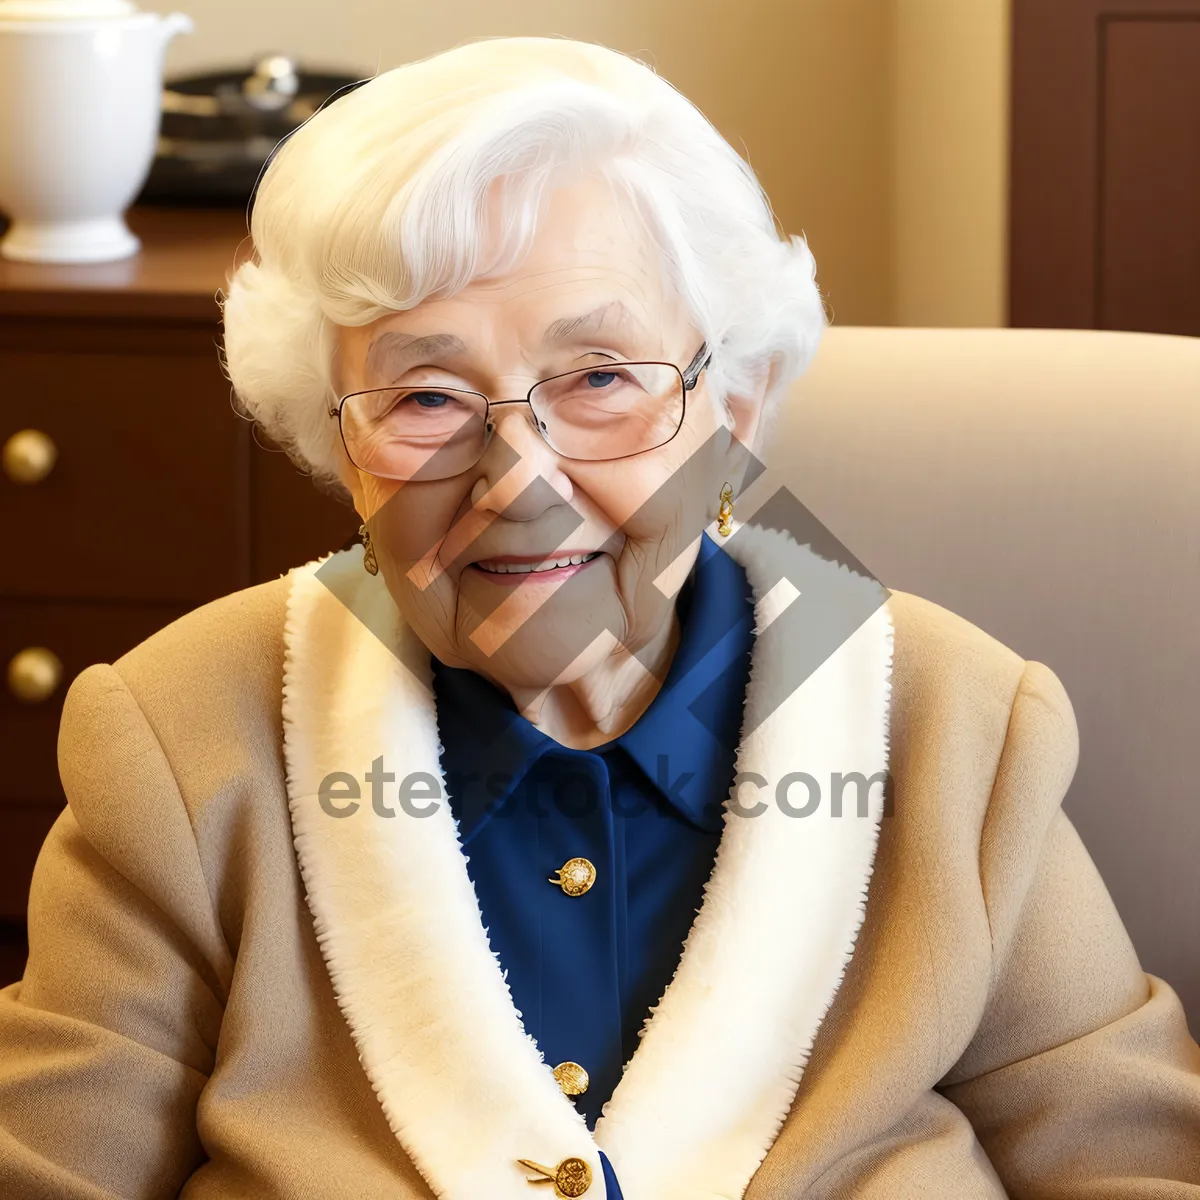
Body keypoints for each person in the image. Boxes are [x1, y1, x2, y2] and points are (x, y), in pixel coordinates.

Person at [0, 35, 1197, 1200]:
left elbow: (1135, 1160)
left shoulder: (961, 729)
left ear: (732, 402)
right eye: (425, 395)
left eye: (600, 378)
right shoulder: (178, 741)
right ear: (340, 447)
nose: (518, 480)